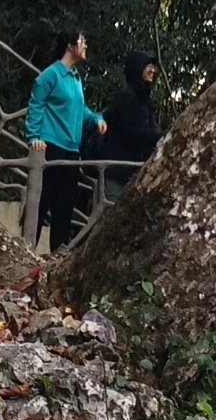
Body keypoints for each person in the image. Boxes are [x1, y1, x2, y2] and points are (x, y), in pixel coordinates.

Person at [25, 29, 105, 253]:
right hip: (50, 147)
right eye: (82, 41)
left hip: (71, 150)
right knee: (40, 203)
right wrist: (34, 137)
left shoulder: (76, 78)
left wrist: (97, 119)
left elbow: (82, 110)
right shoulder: (50, 75)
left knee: (64, 207)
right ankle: (25, 250)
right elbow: (36, 106)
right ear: (70, 46)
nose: (85, 46)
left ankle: (56, 258)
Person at [100, 50, 160, 201]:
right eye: (148, 66)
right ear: (138, 68)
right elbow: (132, 132)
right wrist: (160, 136)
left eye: (153, 66)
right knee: (109, 215)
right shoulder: (126, 96)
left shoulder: (144, 99)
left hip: (134, 173)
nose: (153, 70)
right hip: (117, 171)